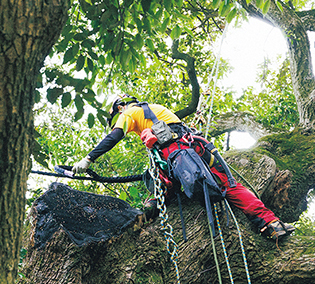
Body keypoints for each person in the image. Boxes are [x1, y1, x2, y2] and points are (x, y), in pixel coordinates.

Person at [72, 94, 294, 240]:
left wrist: (88, 159)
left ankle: (143, 217)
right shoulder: (158, 110)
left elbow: (115, 135)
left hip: (177, 154)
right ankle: (271, 223)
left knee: (159, 188)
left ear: (120, 107)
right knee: (229, 186)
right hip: (196, 151)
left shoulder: (129, 112)